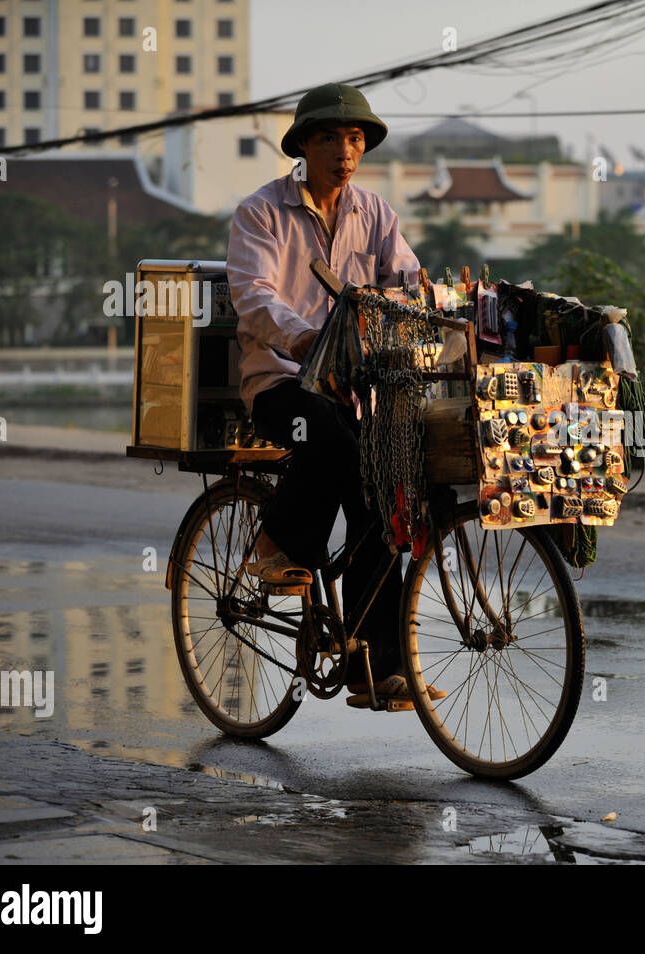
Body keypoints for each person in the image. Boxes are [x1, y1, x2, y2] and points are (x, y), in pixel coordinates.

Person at [226, 83, 442, 708]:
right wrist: (302, 339)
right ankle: (275, 543)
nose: (345, 151)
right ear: (303, 146)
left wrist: (429, 307)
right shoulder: (261, 213)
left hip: (354, 387)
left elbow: (404, 282)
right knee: (324, 433)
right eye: (330, 138)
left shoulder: (375, 215)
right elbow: (255, 294)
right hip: (278, 382)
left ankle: (375, 669)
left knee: (382, 489)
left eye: (354, 140)